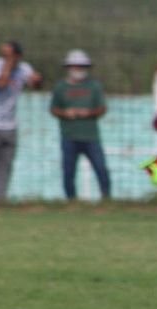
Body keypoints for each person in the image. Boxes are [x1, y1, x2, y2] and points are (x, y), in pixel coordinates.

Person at [50, 49, 111, 200]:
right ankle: (71, 200)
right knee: (68, 171)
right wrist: (66, 113)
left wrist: (88, 113)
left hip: (91, 136)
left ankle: (106, 199)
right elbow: (53, 109)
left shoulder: (94, 86)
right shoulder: (60, 87)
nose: (79, 70)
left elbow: (102, 108)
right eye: (76, 66)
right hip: (69, 135)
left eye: (82, 66)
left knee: (101, 169)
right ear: (69, 67)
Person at [0, 41, 42, 203]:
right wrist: (8, 65)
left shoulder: (24, 68)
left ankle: (1, 200)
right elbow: (0, 84)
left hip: (11, 127)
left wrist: (37, 80)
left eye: (9, 54)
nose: (5, 58)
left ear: (18, 56)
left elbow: (36, 86)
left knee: (6, 167)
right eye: (4, 54)